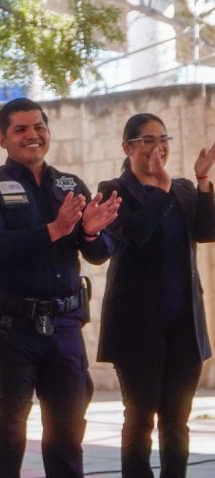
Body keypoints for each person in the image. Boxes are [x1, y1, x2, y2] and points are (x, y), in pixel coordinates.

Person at [0, 97, 122, 478]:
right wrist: (54, 229)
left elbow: (97, 253)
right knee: (7, 431)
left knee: (67, 431)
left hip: (65, 326)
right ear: (3, 139)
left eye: (39, 127)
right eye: (20, 129)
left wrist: (91, 231)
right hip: (11, 328)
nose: (32, 135)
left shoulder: (70, 185)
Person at [96, 113, 215, 477]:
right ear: (127, 147)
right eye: (147, 140)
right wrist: (161, 188)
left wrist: (202, 181)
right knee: (140, 417)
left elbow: (207, 231)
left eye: (162, 139)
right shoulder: (113, 191)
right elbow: (134, 234)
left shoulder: (182, 189)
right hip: (136, 329)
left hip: (183, 325)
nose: (157, 147)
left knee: (176, 421)